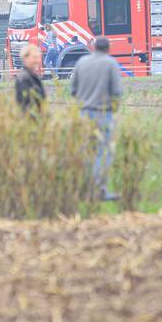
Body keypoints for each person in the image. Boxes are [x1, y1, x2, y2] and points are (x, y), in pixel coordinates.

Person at [71, 36, 124, 201]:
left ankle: (84, 189)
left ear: (93, 48)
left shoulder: (81, 62)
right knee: (103, 153)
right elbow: (117, 92)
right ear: (108, 49)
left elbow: (73, 90)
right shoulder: (110, 63)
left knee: (86, 152)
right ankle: (100, 190)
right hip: (103, 113)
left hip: (84, 113)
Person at [15, 44, 46, 116]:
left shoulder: (34, 76)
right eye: (34, 57)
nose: (37, 60)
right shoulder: (24, 78)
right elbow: (27, 103)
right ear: (25, 58)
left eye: (38, 57)